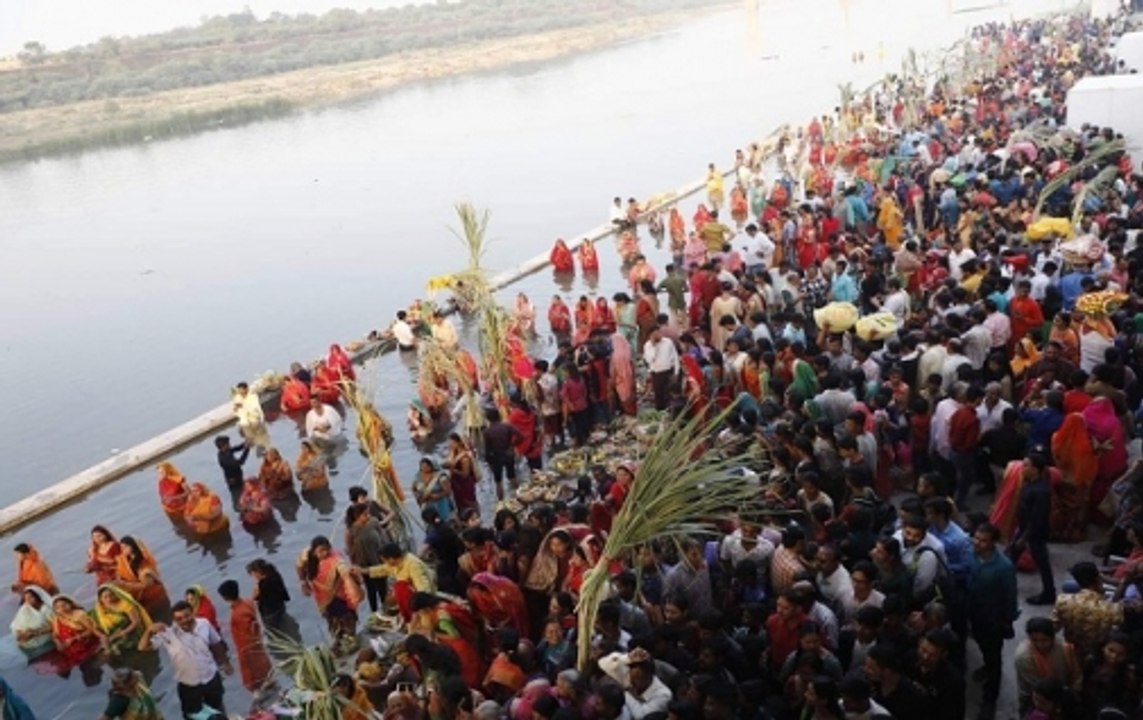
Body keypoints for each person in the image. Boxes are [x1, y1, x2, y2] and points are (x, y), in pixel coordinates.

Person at [140, 600, 233, 718]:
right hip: (189, 685)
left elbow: (216, 643)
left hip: (210, 677)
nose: (184, 620)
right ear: (174, 620)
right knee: (192, 715)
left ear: (193, 613)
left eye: (187, 616)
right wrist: (149, 631)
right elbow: (142, 647)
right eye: (179, 619)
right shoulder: (168, 634)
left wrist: (225, 663)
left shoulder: (204, 624)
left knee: (218, 708)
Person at [966, 522, 1018, 720]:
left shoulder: (1004, 567)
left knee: (994, 656)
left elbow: (1010, 596)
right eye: (976, 538)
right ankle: (987, 665)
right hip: (973, 611)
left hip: (993, 617)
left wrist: (1008, 620)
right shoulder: (971, 555)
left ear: (993, 543)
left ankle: (990, 698)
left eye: (983, 541)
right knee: (981, 643)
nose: (977, 543)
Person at [1052, 561, 1124, 660]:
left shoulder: (1063, 601)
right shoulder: (1112, 609)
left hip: (1072, 649)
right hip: (1096, 653)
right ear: (1098, 579)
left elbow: (1053, 627)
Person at [297, 535, 363, 641]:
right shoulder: (307, 556)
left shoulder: (336, 560)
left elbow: (345, 574)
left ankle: (351, 641)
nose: (325, 553)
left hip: (340, 599)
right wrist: (303, 582)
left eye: (327, 549)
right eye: (321, 551)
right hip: (324, 602)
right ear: (313, 552)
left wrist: (354, 591)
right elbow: (299, 565)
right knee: (333, 627)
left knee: (348, 628)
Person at [1012, 453, 1056, 604]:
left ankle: (1049, 593)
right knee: (1012, 556)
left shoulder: (1040, 491)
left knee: (1042, 562)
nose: (1022, 468)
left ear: (1035, 469)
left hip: (1034, 532)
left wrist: (1024, 537)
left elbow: (1038, 517)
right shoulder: (1030, 484)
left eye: (1026, 465)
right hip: (1025, 528)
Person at [217, 579, 273, 695]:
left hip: (247, 648)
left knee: (252, 678)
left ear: (225, 598)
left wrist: (244, 651)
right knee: (265, 669)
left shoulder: (237, 614)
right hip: (257, 643)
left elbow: (246, 634)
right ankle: (269, 683)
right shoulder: (248, 602)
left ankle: (258, 693)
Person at [358, 543, 436, 621]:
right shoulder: (398, 563)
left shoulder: (413, 564)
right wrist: (362, 571)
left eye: (385, 561)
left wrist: (419, 611)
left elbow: (423, 589)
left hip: (422, 601)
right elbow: (383, 569)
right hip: (413, 599)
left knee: (400, 586)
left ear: (391, 559)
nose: (385, 563)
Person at [93, 584, 152, 656]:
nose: (109, 599)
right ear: (100, 599)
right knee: (102, 651)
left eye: (111, 595)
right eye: (105, 597)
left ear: (116, 594)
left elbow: (136, 622)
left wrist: (119, 635)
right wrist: (102, 636)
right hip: (113, 634)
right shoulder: (99, 609)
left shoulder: (125, 604)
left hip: (132, 633)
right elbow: (95, 627)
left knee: (116, 650)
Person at [51, 594, 102, 672]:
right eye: (57, 607)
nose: (61, 609)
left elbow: (92, 630)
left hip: (87, 646)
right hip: (69, 649)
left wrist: (74, 639)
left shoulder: (80, 615)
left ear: (70, 604)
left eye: (64, 605)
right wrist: (58, 643)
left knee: (92, 666)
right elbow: (55, 634)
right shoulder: (56, 619)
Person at [482, 408, 522, 500]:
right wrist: (512, 445)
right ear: (498, 416)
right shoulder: (507, 426)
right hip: (508, 454)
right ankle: (520, 497)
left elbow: (487, 449)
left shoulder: (487, 432)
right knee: (512, 476)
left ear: (488, 419)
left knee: (498, 481)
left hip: (496, 458)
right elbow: (520, 436)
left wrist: (489, 462)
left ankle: (501, 502)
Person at [246, 558, 291, 634]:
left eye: (252, 574)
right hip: (280, 606)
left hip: (269, 614)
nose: (252, 576)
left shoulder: (262, 584)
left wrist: (256, 582)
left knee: (273, 633)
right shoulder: (275, 575)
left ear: (257, 572)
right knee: (283, 625)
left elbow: (254, 597)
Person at [10, 585, 53, 659]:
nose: (28, 601)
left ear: (37, 597)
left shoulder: (46, 609)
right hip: (26, 635)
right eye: (26, 598)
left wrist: (34, 633)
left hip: (42, 635)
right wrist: (20, 633)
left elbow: (53, 625)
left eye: (31, 597)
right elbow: (16, 623)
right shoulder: (25, 608)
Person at [643, 325, 679, 411]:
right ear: (651, 335)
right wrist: (653, 346)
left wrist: (676, 372)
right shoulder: (648, 345)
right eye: (655, 334)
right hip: (656, 373)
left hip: (668, 372)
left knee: (668, 395)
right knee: (659, 396)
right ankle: (660, 413)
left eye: (658, 332)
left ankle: (669, 413)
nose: (658, 335)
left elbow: (675, 357)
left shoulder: (668, 342)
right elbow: (649, 360)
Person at [412, 457, 455, 522]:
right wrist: (417, 496)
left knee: (443, 521)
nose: (424, 468)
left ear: (432, 466)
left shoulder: (440, 476)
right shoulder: (418, 476)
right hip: (426, 504)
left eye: (426, 466)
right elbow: (413, 488)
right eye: (422, 466)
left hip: (440, 504)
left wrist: (436, 496)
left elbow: (448, 491)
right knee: (429, 521)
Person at [232, 381, 270, 451]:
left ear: (246, 389)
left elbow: (255, 408)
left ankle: (263, 448)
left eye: (242, 390)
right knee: (250, 440)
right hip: (245, 422)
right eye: (239, 390)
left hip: (255, 420)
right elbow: (237, 411)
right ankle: (254, 448)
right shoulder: (237, 398)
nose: (241, 392)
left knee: (261, 437)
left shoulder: (252, 397)